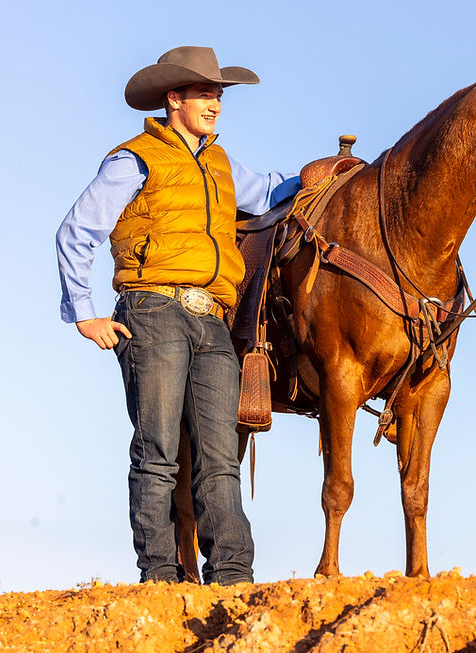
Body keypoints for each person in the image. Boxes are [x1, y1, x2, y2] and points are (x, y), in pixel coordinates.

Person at [55, 46, 300, 584]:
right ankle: (161, 578)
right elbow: (77, 231)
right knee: (159, 452)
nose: (215, 103)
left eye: (219, 94)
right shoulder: (135, 158)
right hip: (152, 312)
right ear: (174, 99)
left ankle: (232, 577)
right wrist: (85, 313)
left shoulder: (221, 162)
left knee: (220, 457)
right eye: (205, 93)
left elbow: (268, 192)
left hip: (212, 319)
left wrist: (321, 174)